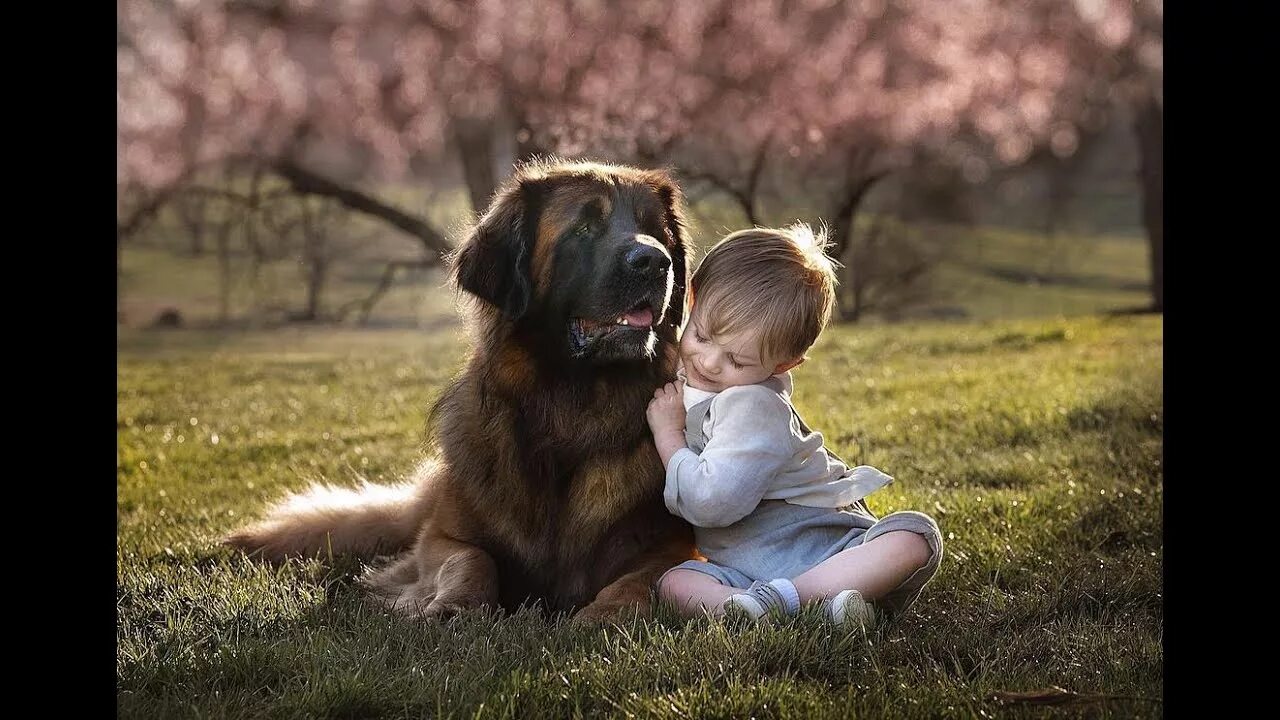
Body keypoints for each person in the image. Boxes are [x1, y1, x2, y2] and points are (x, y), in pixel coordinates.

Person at [645, 223, 944, 629]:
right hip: (744, 570)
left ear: (783, 365)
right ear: (692, 299)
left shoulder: (754, 406)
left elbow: (710, 503)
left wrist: (669, 438)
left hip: (827, 554)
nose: (709, 362)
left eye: (737, 361)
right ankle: (806, 610)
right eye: (701, 334)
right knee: (676, 582)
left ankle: (786, 603)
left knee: (916, 536)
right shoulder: (698, 376)